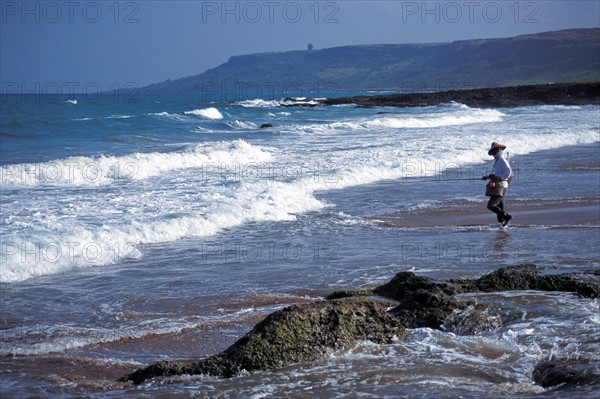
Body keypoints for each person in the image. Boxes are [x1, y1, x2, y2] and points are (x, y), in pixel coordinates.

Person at [482, 142, 513, 227]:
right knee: (500, 204)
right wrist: (488, 177)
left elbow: (508, 172)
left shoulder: (502, 160)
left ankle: (507, 217)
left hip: (502, 184)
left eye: (495, 151)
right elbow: (497, 173)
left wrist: (499, 178)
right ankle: (501, 223)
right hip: (500, 183)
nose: (494, 154)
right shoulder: (498, 161)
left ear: (499, 150)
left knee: (491, 205)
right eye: (493, 152)